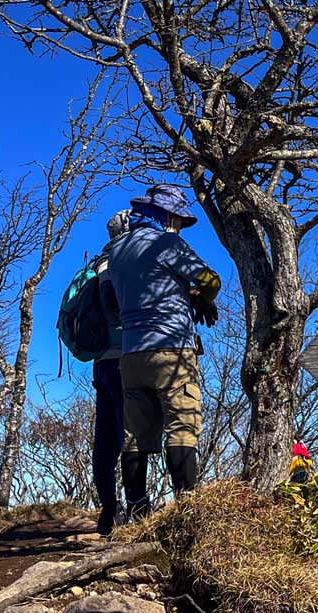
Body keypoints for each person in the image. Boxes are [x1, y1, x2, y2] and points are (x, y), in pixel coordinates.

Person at [107, 184, 220, 517]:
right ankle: (188, 511)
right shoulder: (168, 243)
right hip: (171, 349)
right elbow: (211, 281)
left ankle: (137, 511)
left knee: (135, 435)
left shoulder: (116, 250)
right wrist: (199, 297)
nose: (179, 226)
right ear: (168, 215)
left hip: (131, 354)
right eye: (179, 220)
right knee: (183, 424)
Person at [91, 210, 132, 535]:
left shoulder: (100, 260)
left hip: (102, 362)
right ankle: (133, 509)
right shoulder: (117, 261)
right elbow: (110, 299)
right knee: (131, 433)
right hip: (125, 357)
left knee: (105, 438)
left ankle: (108, 509)